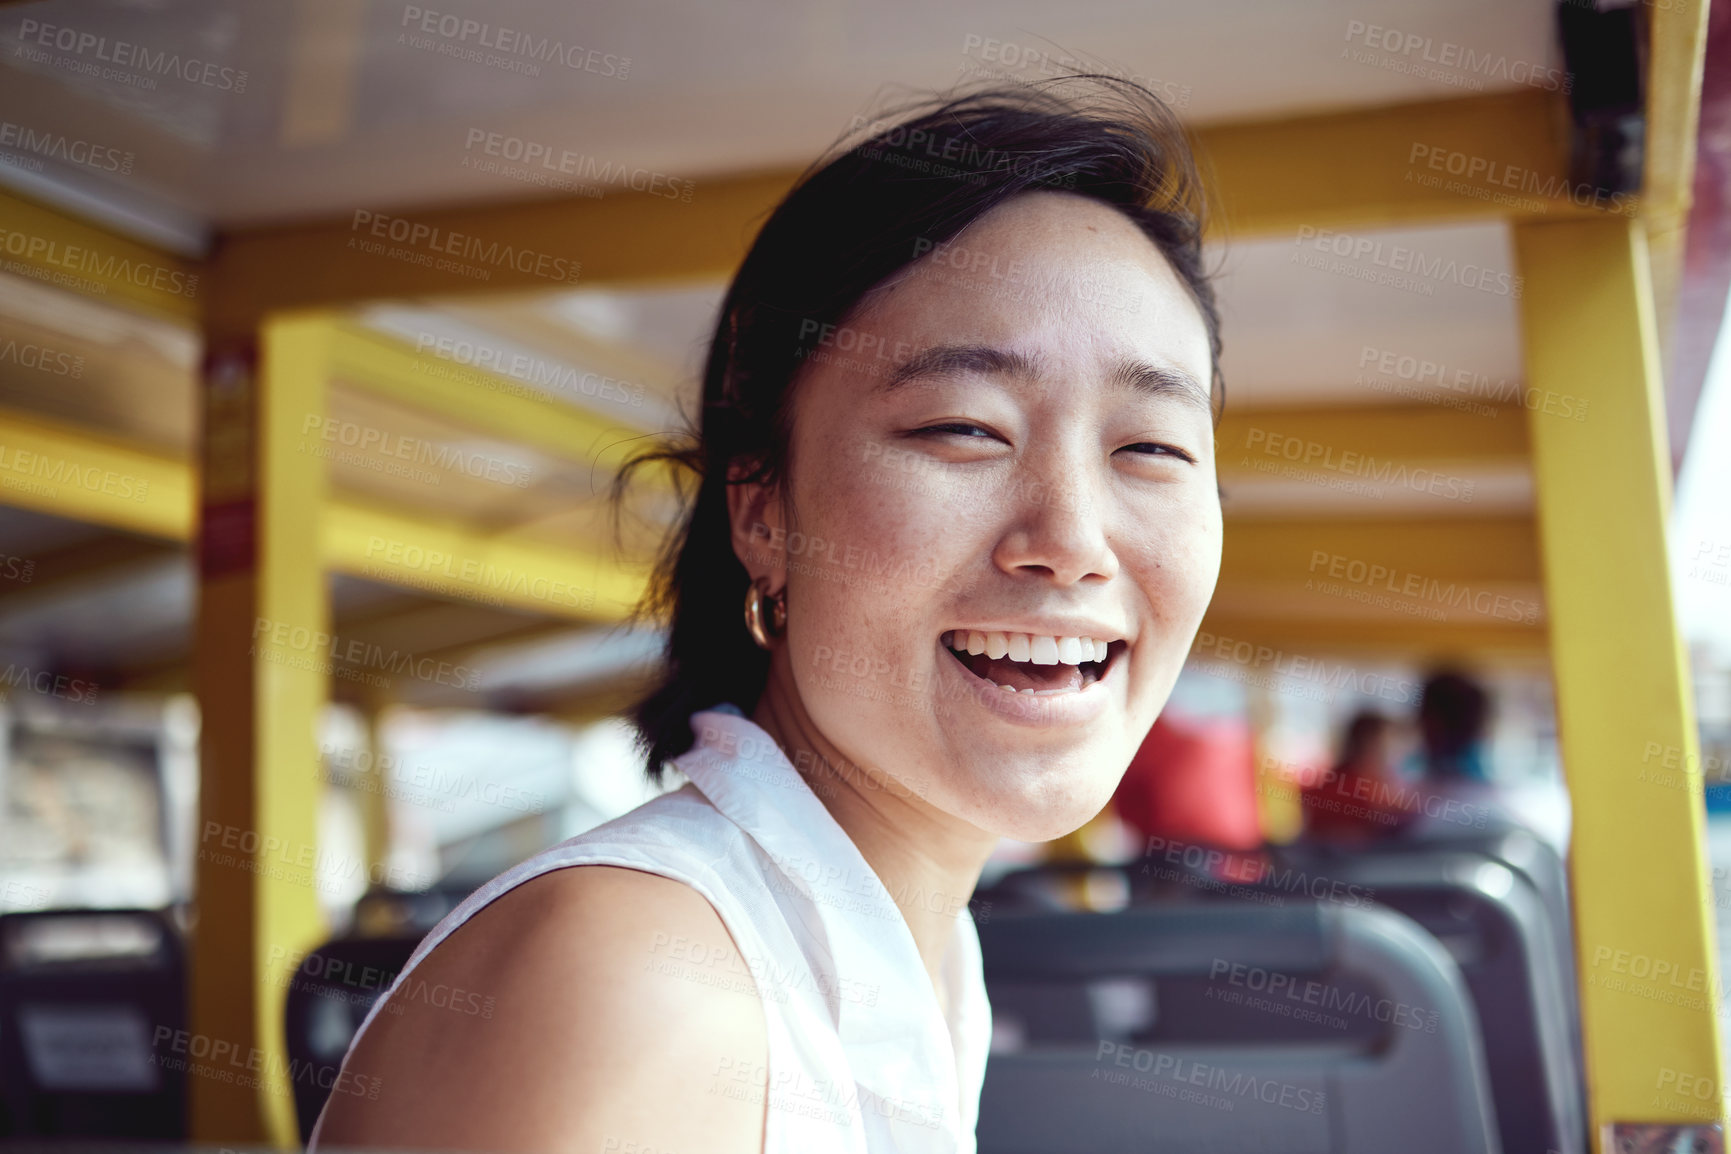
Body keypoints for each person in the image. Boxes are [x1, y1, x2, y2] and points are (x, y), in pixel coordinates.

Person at [313, 76, 1225, 1154]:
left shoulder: (913, 963)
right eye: (964, 429)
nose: (1070, 538)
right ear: (762, 512)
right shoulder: (647, 978)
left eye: (1151, 447)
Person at [1300, 711, 1418, 844]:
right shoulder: (1340, 786)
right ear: (1369, 745)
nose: (1398, 755)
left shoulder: (1380, 782)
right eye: (1391, 745)